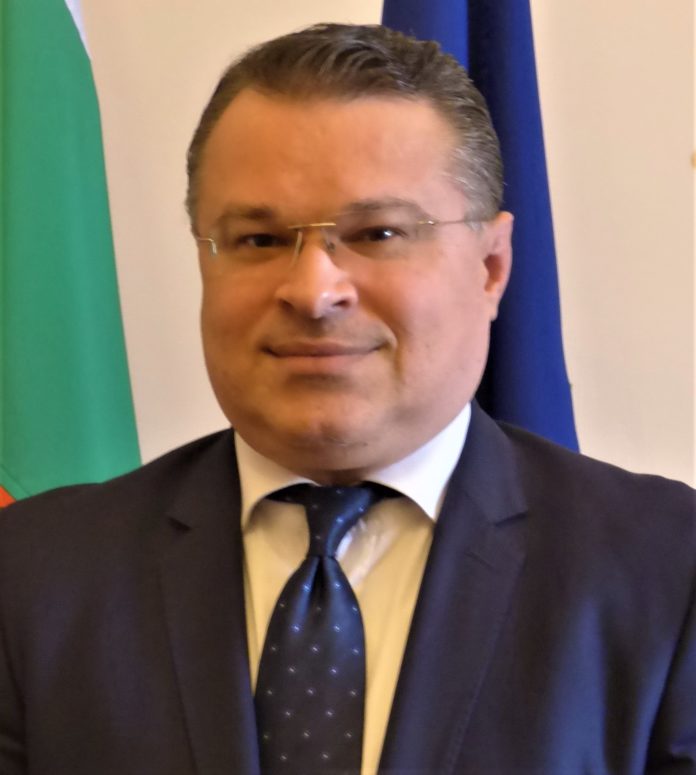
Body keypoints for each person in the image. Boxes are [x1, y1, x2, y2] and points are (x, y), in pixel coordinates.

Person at [0, 22, 694, 775]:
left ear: (491, 266)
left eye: (378, 233)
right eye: (259, 240)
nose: (313, 291)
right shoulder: (30, 576)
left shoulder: (670, 571)